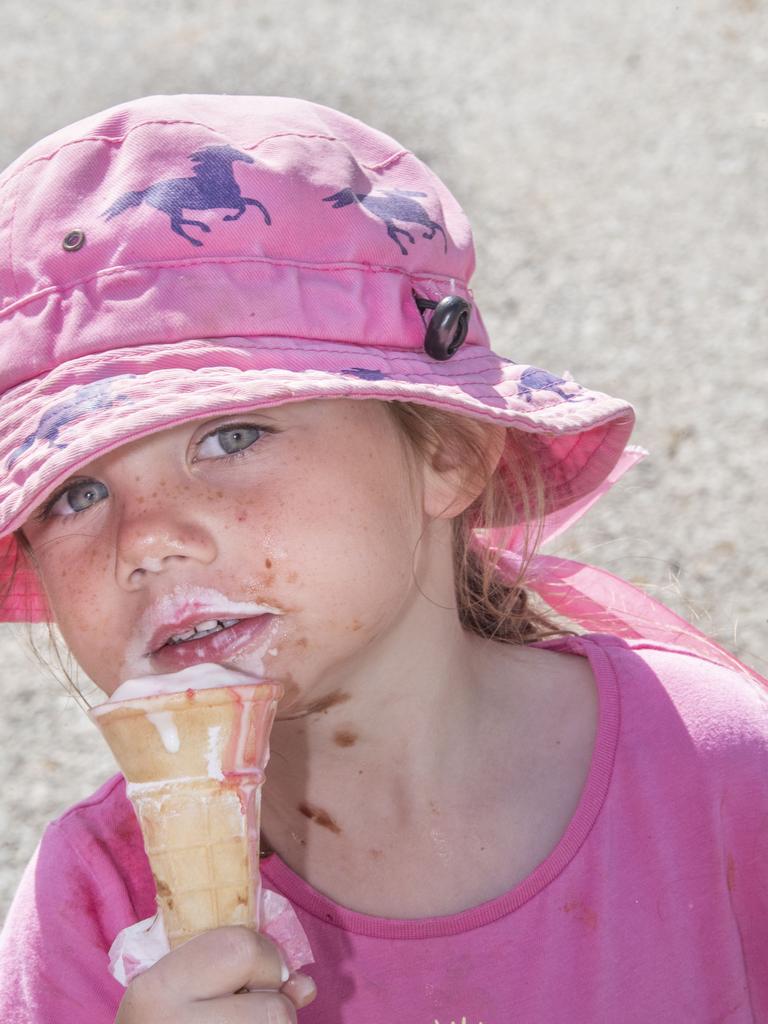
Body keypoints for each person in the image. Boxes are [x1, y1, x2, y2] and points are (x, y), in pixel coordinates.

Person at [0, 94, 765, 1024]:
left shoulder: (719, 772)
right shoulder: (92, 904)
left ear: (446, 453)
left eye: (232, 435)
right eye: (76, 493)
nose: (146, 537)